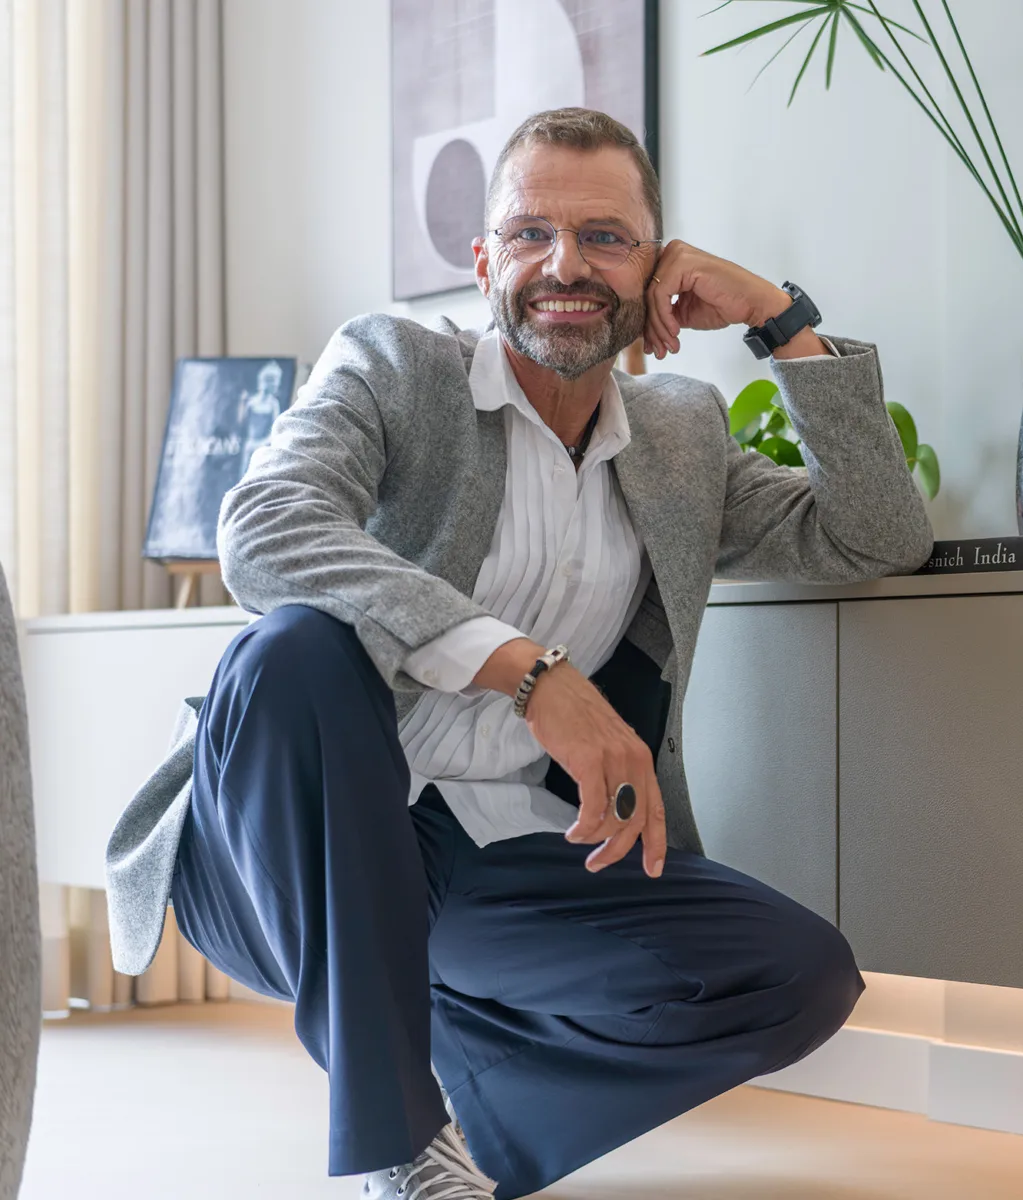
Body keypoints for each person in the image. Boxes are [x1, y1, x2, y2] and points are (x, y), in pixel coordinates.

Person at [103, 107, 933, 1199]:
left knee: (801, 975)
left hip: (499, 855)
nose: (566, 265)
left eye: (606, 237)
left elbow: (874, 534)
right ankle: (399, 1146)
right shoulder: (396, 366)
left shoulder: (681, 436)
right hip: (286, 847)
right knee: (293, 650)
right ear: (485, 259)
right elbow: (264, 527)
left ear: (656, 269)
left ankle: (458, 1098)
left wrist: (778, 318)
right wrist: (531, 675)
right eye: (531, 233)